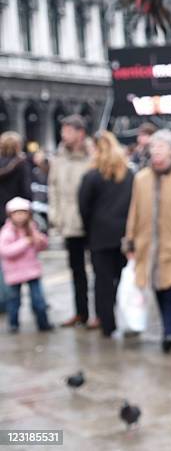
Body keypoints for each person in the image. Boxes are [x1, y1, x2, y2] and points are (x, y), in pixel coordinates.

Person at [123, 129, 171, 353]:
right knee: (156, 286)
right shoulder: (141, 178)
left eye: (161, 148)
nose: (156, 153)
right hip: (148, 244)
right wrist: (130, 241)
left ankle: (170, 330)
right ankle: (168, 327)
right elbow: (134, 211)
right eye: (153, 148)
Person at [78, 132, 134, 337]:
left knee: (102, 282)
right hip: (124, 235)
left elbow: (83, 207)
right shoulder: (128, 174)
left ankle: (107, 325)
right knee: (124, 279)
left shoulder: (91, 176)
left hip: (99, 235)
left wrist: (88, 231)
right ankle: (127, 319)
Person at [48, 114, 94, 328]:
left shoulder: (93, 156)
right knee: (76, 270)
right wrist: (55, 216)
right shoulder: (59, 158)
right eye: (62, 131)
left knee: (100, 271)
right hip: (69, 222)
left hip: (92, 222)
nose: (63, 135)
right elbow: (53, 188)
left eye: (68, 131)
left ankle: (101, 313)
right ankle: (80, 312)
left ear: (80, 133)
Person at [0, 197, 52, 333]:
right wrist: (25, 242)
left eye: (23, 213)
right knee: (13, 301)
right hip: (14, 273)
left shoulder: (32, 228)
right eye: (17, 213)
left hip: (32, 270)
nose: (20, 216)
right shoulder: (7, 232)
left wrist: (40, 241)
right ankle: (13, 324)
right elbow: (5, 251)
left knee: (38, 300)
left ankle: (43, 323)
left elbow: (42, 247)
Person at [0, 132, 32, 313]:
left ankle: (3, 301)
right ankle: (15, 300)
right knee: (23, 259)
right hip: (16, 217)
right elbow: (26, 191)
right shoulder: (20, 164)